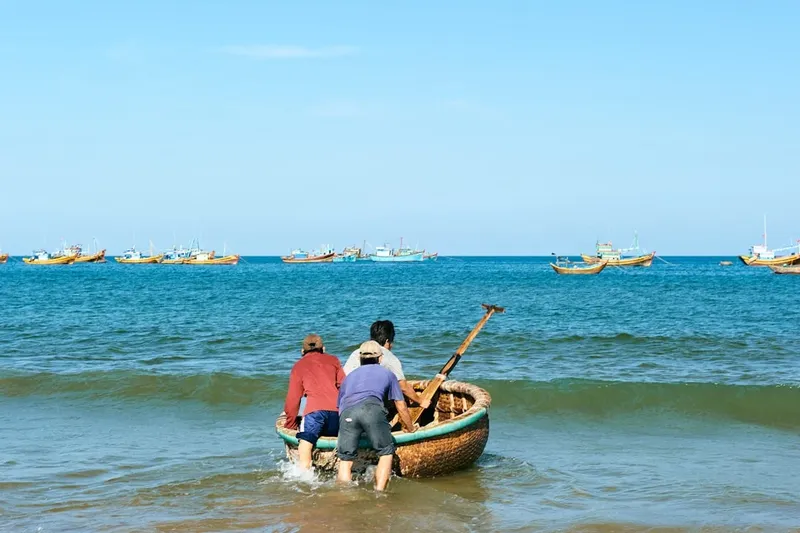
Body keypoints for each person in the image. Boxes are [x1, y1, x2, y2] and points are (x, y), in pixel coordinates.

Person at [336, 340, 416, 491]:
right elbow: (400, 404)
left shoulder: (349, 377)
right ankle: (379, 492)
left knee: (345, 460)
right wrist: (410, 428)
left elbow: (340, 406)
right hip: (371, 409)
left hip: (346, 413)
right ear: (380, 358)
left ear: (359, 359)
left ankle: (343, 496)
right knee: (386, 453)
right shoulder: (388, 374)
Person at [283, 334, 345, 470]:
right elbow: (344, 387)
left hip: (315, 413)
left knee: (306, 443)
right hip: (338, 412)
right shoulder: (334, 360)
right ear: (323, 349)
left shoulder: (298, 366)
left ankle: (305, 476)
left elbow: (293, 399)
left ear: (302, 352)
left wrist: (291, 424)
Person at [343, 320, 430, 409]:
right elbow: (403, 386)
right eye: (391, 342)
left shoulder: (356, 353)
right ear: (387, 341)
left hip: (345, 403)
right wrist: (421, 401)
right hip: (366, 406)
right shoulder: (387, 355)